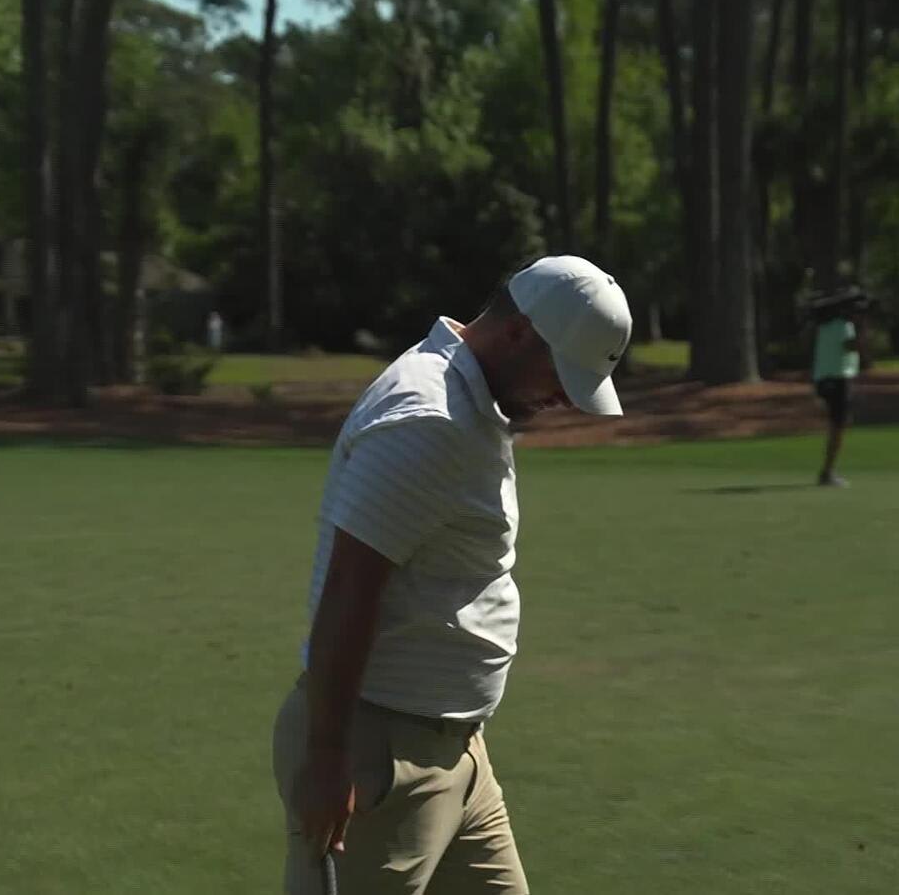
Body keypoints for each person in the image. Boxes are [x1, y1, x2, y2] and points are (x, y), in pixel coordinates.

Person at [271, 255, 632, 895]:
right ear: (521, 332)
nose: (563, 400)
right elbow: (350, 591)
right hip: (378, 755)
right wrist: (329, 756)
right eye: (561, 376)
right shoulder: (428, 418)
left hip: (456, 752)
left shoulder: (469, 404)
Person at [810, 287, 864, 487]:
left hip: (822, 378)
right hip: (839, 378)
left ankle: (828, 470)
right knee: (838, 426)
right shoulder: (845, 326)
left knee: (837, 423)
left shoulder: (824, 326)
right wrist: (862, 328)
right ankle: (827, 472)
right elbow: (852, 347)